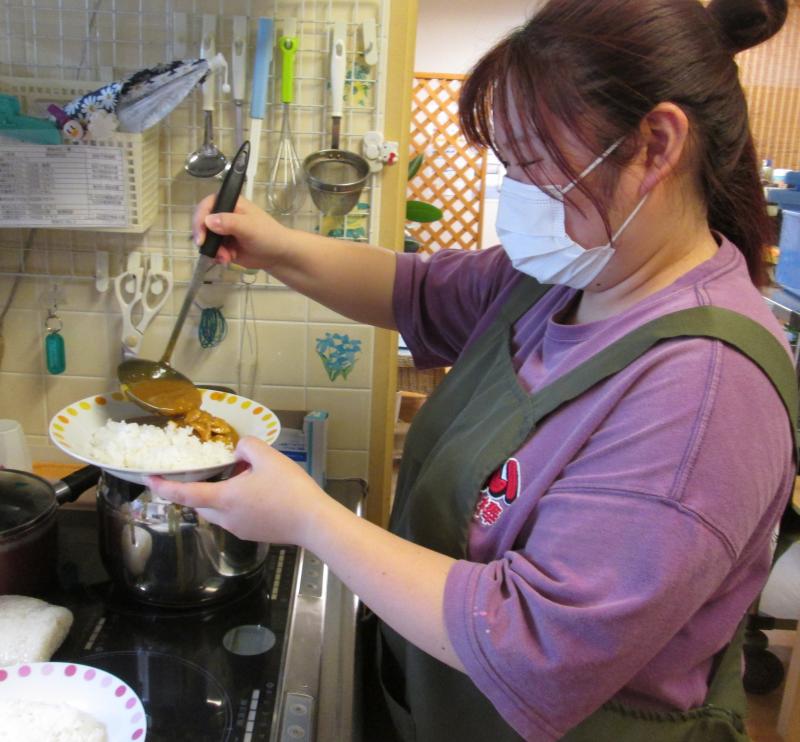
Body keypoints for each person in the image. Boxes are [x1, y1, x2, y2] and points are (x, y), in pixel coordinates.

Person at [149, 0, 798, 739]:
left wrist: (309, 518)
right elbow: (413, 290)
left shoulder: (705, 392)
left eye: (536, 164)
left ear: (655, 144)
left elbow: (538, 645)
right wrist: (275, 246)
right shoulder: (569, 277)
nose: (516, 191)